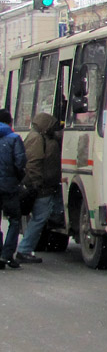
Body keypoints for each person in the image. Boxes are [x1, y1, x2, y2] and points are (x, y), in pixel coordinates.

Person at [14, 112, 63, 264]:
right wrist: (36, 184)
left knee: (40, 218)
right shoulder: (37, 139)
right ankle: (24, 250)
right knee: (39, 218)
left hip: (44, 186)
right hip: (41, 187)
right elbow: (33, 162)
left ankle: (24, 249)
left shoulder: (40, 137)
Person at [0, 108, 28, 269]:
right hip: (9, 186)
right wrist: (17, 179)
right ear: (10, 122)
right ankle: (6, 255)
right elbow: (20, 163)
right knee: (14, 220)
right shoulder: (14, 138)